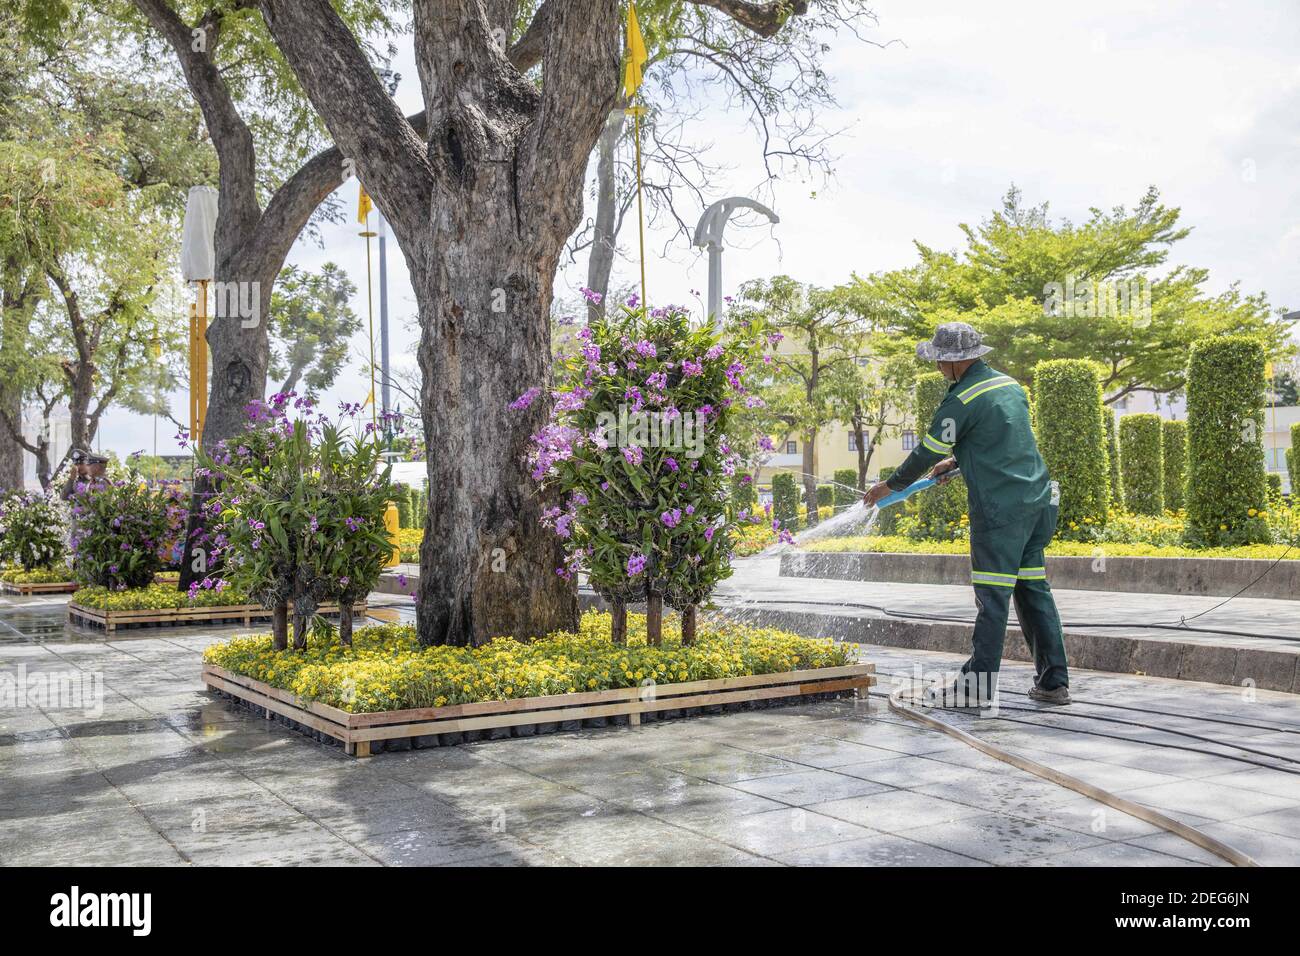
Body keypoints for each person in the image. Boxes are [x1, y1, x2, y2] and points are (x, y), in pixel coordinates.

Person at [863, 322, 1070, 706]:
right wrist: (956, 461)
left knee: (993, 599)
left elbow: (924, 452)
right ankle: (1054, 682)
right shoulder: (1009, 386)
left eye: (940, 360)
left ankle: (975, 688)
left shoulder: (960, 400)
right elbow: (1000, 440)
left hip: (1000, 512)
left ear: (954, 361)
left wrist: (890, 486)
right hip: (1037, 503)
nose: (938, 367)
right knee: (1032, 589)